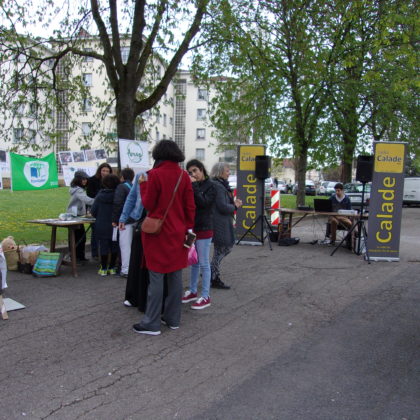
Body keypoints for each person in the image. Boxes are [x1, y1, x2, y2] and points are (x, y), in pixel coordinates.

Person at [133, 140, 195, 335]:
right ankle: (173, 318)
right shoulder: (183, 176)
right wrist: (187, 227)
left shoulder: (152, 175)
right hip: (178, 233)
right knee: (175, 277)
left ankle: (151, 323)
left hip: (158, 234)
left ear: (158, 154)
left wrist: (143, 185)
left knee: (156, 278)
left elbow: (149, 204)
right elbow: (190, 207)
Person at [182, 159, 217, 310]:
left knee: (203, 262)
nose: (193, 174)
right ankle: (193, 291)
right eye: (190, 172)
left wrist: (194, 186)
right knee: (193, 261)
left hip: (204, 228)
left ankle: (206, 296)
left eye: (195, 170)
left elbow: (204, 203)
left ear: (202, 169)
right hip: (192, 229)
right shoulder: (192, 185)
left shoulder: (211, 186)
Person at [210, 162, 242, 290]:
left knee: (221, 249)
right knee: (224, 247)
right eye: (227, 171)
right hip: (220, 222)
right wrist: (235, 206)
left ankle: (211, 274)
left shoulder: (220, 184)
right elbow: (222, 206)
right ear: (220, 172)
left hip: (221, 221)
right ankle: (212, 275)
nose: (229, 173)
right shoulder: (218, 186)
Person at [118, 172, 147, 309]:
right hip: (140, 222)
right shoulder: (142, 175)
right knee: (137, 260)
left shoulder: (175, 176)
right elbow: (132, 197)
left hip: (158, 224)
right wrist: (123, 218)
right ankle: (135, 296)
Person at [91, 174, 121, 275]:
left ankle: (103, 268)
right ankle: (112, 267)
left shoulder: (100, 195)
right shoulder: (118, 195)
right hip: (115, 224)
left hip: (101, 224)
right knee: (114, 245)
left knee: (103, 246)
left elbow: (93, 211)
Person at [67, 171, 94, 262]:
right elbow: (87, 200)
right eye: (83, 179)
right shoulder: (78, 190)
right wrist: (98, 201)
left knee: (79, 237)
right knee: (78, 237)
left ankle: (79, 257)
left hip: (76, 215)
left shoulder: (77, 189)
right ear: (78, 179)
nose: (85, 181)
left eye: (85, 179)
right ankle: (76, 257)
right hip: (75, 216)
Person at [112, 167, 135, 277]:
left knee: (125, 246)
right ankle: (132, 268)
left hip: (124, 221)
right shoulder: (134, 187)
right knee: (132, 246)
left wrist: (115, 219)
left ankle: (126, 270)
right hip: (135, 219)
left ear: (121, 177)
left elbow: (117, 203)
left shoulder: (121, 187)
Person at [87, 163, 113, 258]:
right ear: (99, 171)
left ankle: (107, 254)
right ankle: (95, 253)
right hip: (95, 207)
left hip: (106, 210)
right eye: (103, 170)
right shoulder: (92, 180)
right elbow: (90, 194)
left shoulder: (111, 181)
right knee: (95, 232)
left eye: (107, 171)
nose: (105, 173)